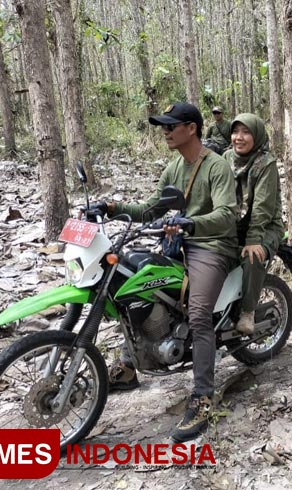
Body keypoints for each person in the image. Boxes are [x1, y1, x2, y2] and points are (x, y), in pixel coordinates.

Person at [90, 102, 239, 442]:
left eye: (172, 125)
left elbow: (227, 215)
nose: (165, 131)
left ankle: (203, 397)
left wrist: (190, 223)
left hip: (212, 246)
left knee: (200, 315)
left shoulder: (217, 167)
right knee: (128, 285)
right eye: (163, 126)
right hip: (178, 244)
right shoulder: (173, 168)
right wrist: (113, 208)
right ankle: (129, 365)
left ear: (192, 128)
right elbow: (150, 209)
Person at [223, 113, 284, 335]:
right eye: (236, 131)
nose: (239, 137)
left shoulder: (266, 163)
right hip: (234, 223)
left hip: (266, 226)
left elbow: (262, 208)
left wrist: (253, 240)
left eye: (246, 132)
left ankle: (247, 311)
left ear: (256, 135)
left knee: (252, 256)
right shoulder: (226, 157)